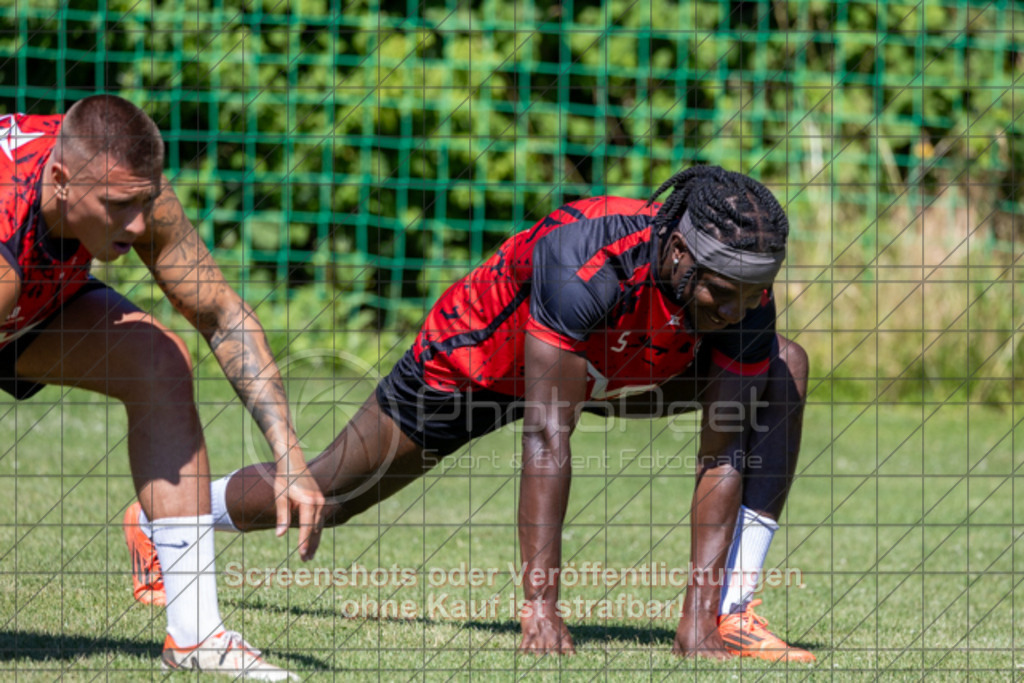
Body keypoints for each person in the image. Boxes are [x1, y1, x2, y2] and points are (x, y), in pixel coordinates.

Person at [131, 165, 814, 661]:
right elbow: (548, 437)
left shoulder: (742, 295)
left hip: (616, 368)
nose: (734, 313)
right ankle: (169, 520)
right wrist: (541, 605)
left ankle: (729, 612)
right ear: (678, 251)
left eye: (750, 296)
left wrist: (693, 622)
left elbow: (724, 449)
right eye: (721, 294)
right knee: (332, 492)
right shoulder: (585, 256)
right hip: (474, 367)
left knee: (782, 370)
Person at [0, 95, 326, 679]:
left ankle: (196, 636)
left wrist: (290, 456)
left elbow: (222, 316)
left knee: (160, 361)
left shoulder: (123, 179)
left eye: (145, 203)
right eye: (120, 207)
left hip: (29, 307)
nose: (139, 225)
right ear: (60, 181)